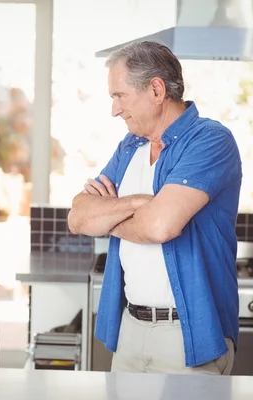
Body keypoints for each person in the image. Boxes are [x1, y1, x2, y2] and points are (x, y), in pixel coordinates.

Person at [68, 41, 242, 375]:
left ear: (157, 89)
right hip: (131, 326)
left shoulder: (209, 140)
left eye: (120, 96)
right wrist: (136, 203)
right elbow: (78, 217)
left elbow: (161, 227)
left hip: (188, 332)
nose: (115, 110)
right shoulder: (131, 145)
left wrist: (109, 217)